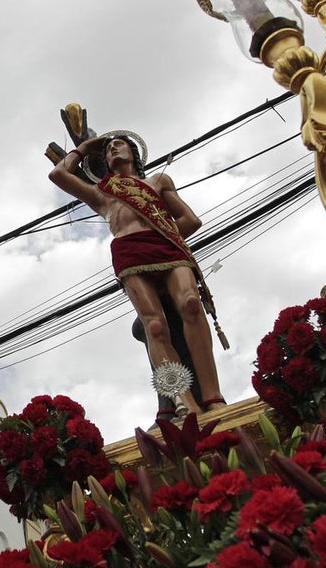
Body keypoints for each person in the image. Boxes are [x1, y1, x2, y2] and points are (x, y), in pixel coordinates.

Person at [49, 129, 226, 417]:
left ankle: (213, 396)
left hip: (166, 247)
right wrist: (83, 147)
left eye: (120, 145)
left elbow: (190, 220)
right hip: (130, 253)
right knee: (154, 326)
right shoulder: (102, 193)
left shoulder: (158, 181)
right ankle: (186, 403)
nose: (113, 150)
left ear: (134, 153)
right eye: (108, 150)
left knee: (191, 304)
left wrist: (163, 234)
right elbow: (58, 174)